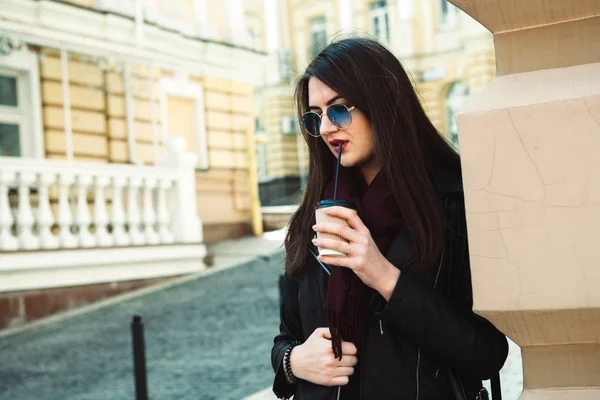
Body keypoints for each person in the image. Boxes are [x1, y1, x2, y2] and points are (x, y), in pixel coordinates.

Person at [271, 37, 508, 400]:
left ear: (381, 103)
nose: (326, 128)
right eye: (314, 117)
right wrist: (293, 362)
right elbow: (287, 335)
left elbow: (486, 353)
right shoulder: (312, 217)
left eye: (338, 110)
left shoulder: (456, 202)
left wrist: (382, 276)